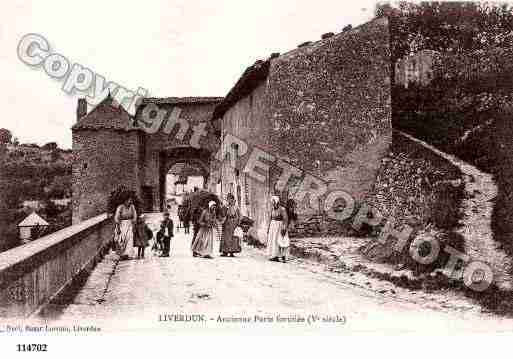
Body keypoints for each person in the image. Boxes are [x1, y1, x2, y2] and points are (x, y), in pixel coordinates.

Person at [267, 195, 289, 262]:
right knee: (273, 241)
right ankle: (274, 255)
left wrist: (284, 228)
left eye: (273, 202)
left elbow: (285, 219)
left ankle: (283, 256)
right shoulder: (272, 209)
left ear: (277, 202)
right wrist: (268, 228)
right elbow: (270, 219)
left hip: (279, 226)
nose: (272, 203)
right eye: (272, 202)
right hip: (273, 227)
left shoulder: (282, 209)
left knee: (280, 241)